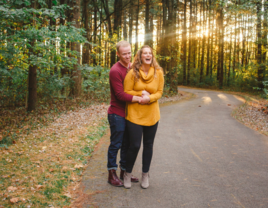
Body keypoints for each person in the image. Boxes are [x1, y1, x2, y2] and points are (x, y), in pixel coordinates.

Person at [123, 45, 164, 189]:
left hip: (152, 114)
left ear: (152, 56)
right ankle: (127, 174)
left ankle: (145, 175)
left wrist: (150, 98)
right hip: (135, 114)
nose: (148, 55)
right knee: (134, 145)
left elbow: (159, 92)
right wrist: (140, 94)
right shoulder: (132, 73)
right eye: (145, 53)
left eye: (150, 53)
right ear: (140, 56)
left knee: (148, 145)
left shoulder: (158, 72)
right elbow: (126, 91)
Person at [107, 40, 142, 187]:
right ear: (118, 54)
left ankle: (124, 172)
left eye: (129, 53)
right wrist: (139, 98)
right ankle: (111, 174)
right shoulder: (115, 70)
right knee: (116, 144)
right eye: (124, 54)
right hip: (117, 113)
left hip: (129, 113)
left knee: (127, 144)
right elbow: (120, 95)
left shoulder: (132, 67)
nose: (128, 56)